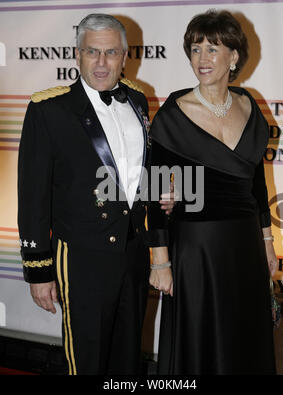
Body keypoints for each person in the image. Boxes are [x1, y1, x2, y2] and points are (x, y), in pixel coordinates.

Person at [18, 13, 173, 375]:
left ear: (125, 56)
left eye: (111, 53)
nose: (102, 63)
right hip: (82, 255)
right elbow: (32, 196)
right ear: (77, 55)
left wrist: (157, 244)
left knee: (127, 355)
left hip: (132, 253)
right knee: (87, 360)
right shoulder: (48, 109)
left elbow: (144, 174)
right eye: (92, 52)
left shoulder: (137, 99)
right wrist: (39, 271)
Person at [146, 9, 278, 374]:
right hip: (195, 250)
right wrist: (160, 261)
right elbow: (155, 192)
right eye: (195, 49)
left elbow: (256, 183)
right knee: (198, 345)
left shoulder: (250, 107)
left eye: (212, 49)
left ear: (234, 56)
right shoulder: (174, 113)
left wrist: (267, 241)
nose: (202, 59)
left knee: (243, 340)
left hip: (245, 247)